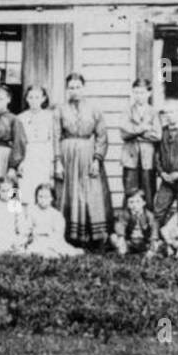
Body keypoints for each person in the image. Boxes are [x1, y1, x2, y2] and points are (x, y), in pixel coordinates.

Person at [56, 72, 113, 247]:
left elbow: (102, 136)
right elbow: (55, 135)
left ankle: (94, 236)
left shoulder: (95, 109)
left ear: (84, 88)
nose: (74, 91)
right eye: (71, 88)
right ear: (67, 89)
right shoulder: (60, 109)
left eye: (78, 87)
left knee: (90, 192)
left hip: (88, 155)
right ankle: (69, 235)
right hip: (67, 156)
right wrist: (57, 161)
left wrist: (97, 159)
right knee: (70, 192)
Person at [120, 79, 162, 210]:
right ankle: (128, 223)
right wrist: (143, 128)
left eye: (142, 93)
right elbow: (124, 134)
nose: (139, 96)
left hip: (148, 158)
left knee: (148, 191)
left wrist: (135, 132)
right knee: (130, 190)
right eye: (136, 92)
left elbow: (157, 135)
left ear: (149, 93)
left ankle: (148, 223)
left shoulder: (153, 112)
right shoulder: (127, 111)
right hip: (130, 157)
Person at [16, 85, 57, 205]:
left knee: (43, 188)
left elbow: (52, 140)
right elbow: (19, 141)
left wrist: (52, 162)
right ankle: (25, 219)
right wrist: (20, 162)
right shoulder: (21, 118)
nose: (34, 100)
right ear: (27, 99)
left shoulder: (50, 116)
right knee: (25, 188)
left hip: (44, 155)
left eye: (37, 97)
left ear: (43, 98)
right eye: (31, 97)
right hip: (27, 155)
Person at [0, 85, 26, 205]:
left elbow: (19, 142)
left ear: (8, 99)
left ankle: (14, 215)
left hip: (6, 157)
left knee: (10, 185)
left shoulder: (14, 119)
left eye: (1, 99)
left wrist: (13, 166)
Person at [26, 183, 84, 258]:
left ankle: (54, 252)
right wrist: (30, 235)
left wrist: (49, 235)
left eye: (46, 197)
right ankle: (46, 253)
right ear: (36, 197)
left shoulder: (56, 214)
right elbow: (27, 228)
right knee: (33, 250)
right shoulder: (32, 212)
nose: (43, 199)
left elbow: (59, 233)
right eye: (40, 196)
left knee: (62, 250)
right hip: (37, 239)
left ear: (52, 198)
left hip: (52, 240)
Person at [0, 176, 30, 254]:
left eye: (9, 191)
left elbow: (21, 223)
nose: (6, 194)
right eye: (3, 191)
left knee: (19, 249)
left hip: (12, 234)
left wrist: (21, 236)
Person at [111, 188, 160, 256]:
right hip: (130, 241)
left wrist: (154, 239)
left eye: (138, 202)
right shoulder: (124, 214)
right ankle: (125, 250)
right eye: (131, 202)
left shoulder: (148, 215)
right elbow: (120, 225)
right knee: (113, 237)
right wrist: (121, 237)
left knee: (159, 243)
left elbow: (154, 228)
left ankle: (149, 251)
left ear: (143, 203)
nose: (134, 205)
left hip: (144, 242)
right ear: (127, 204)